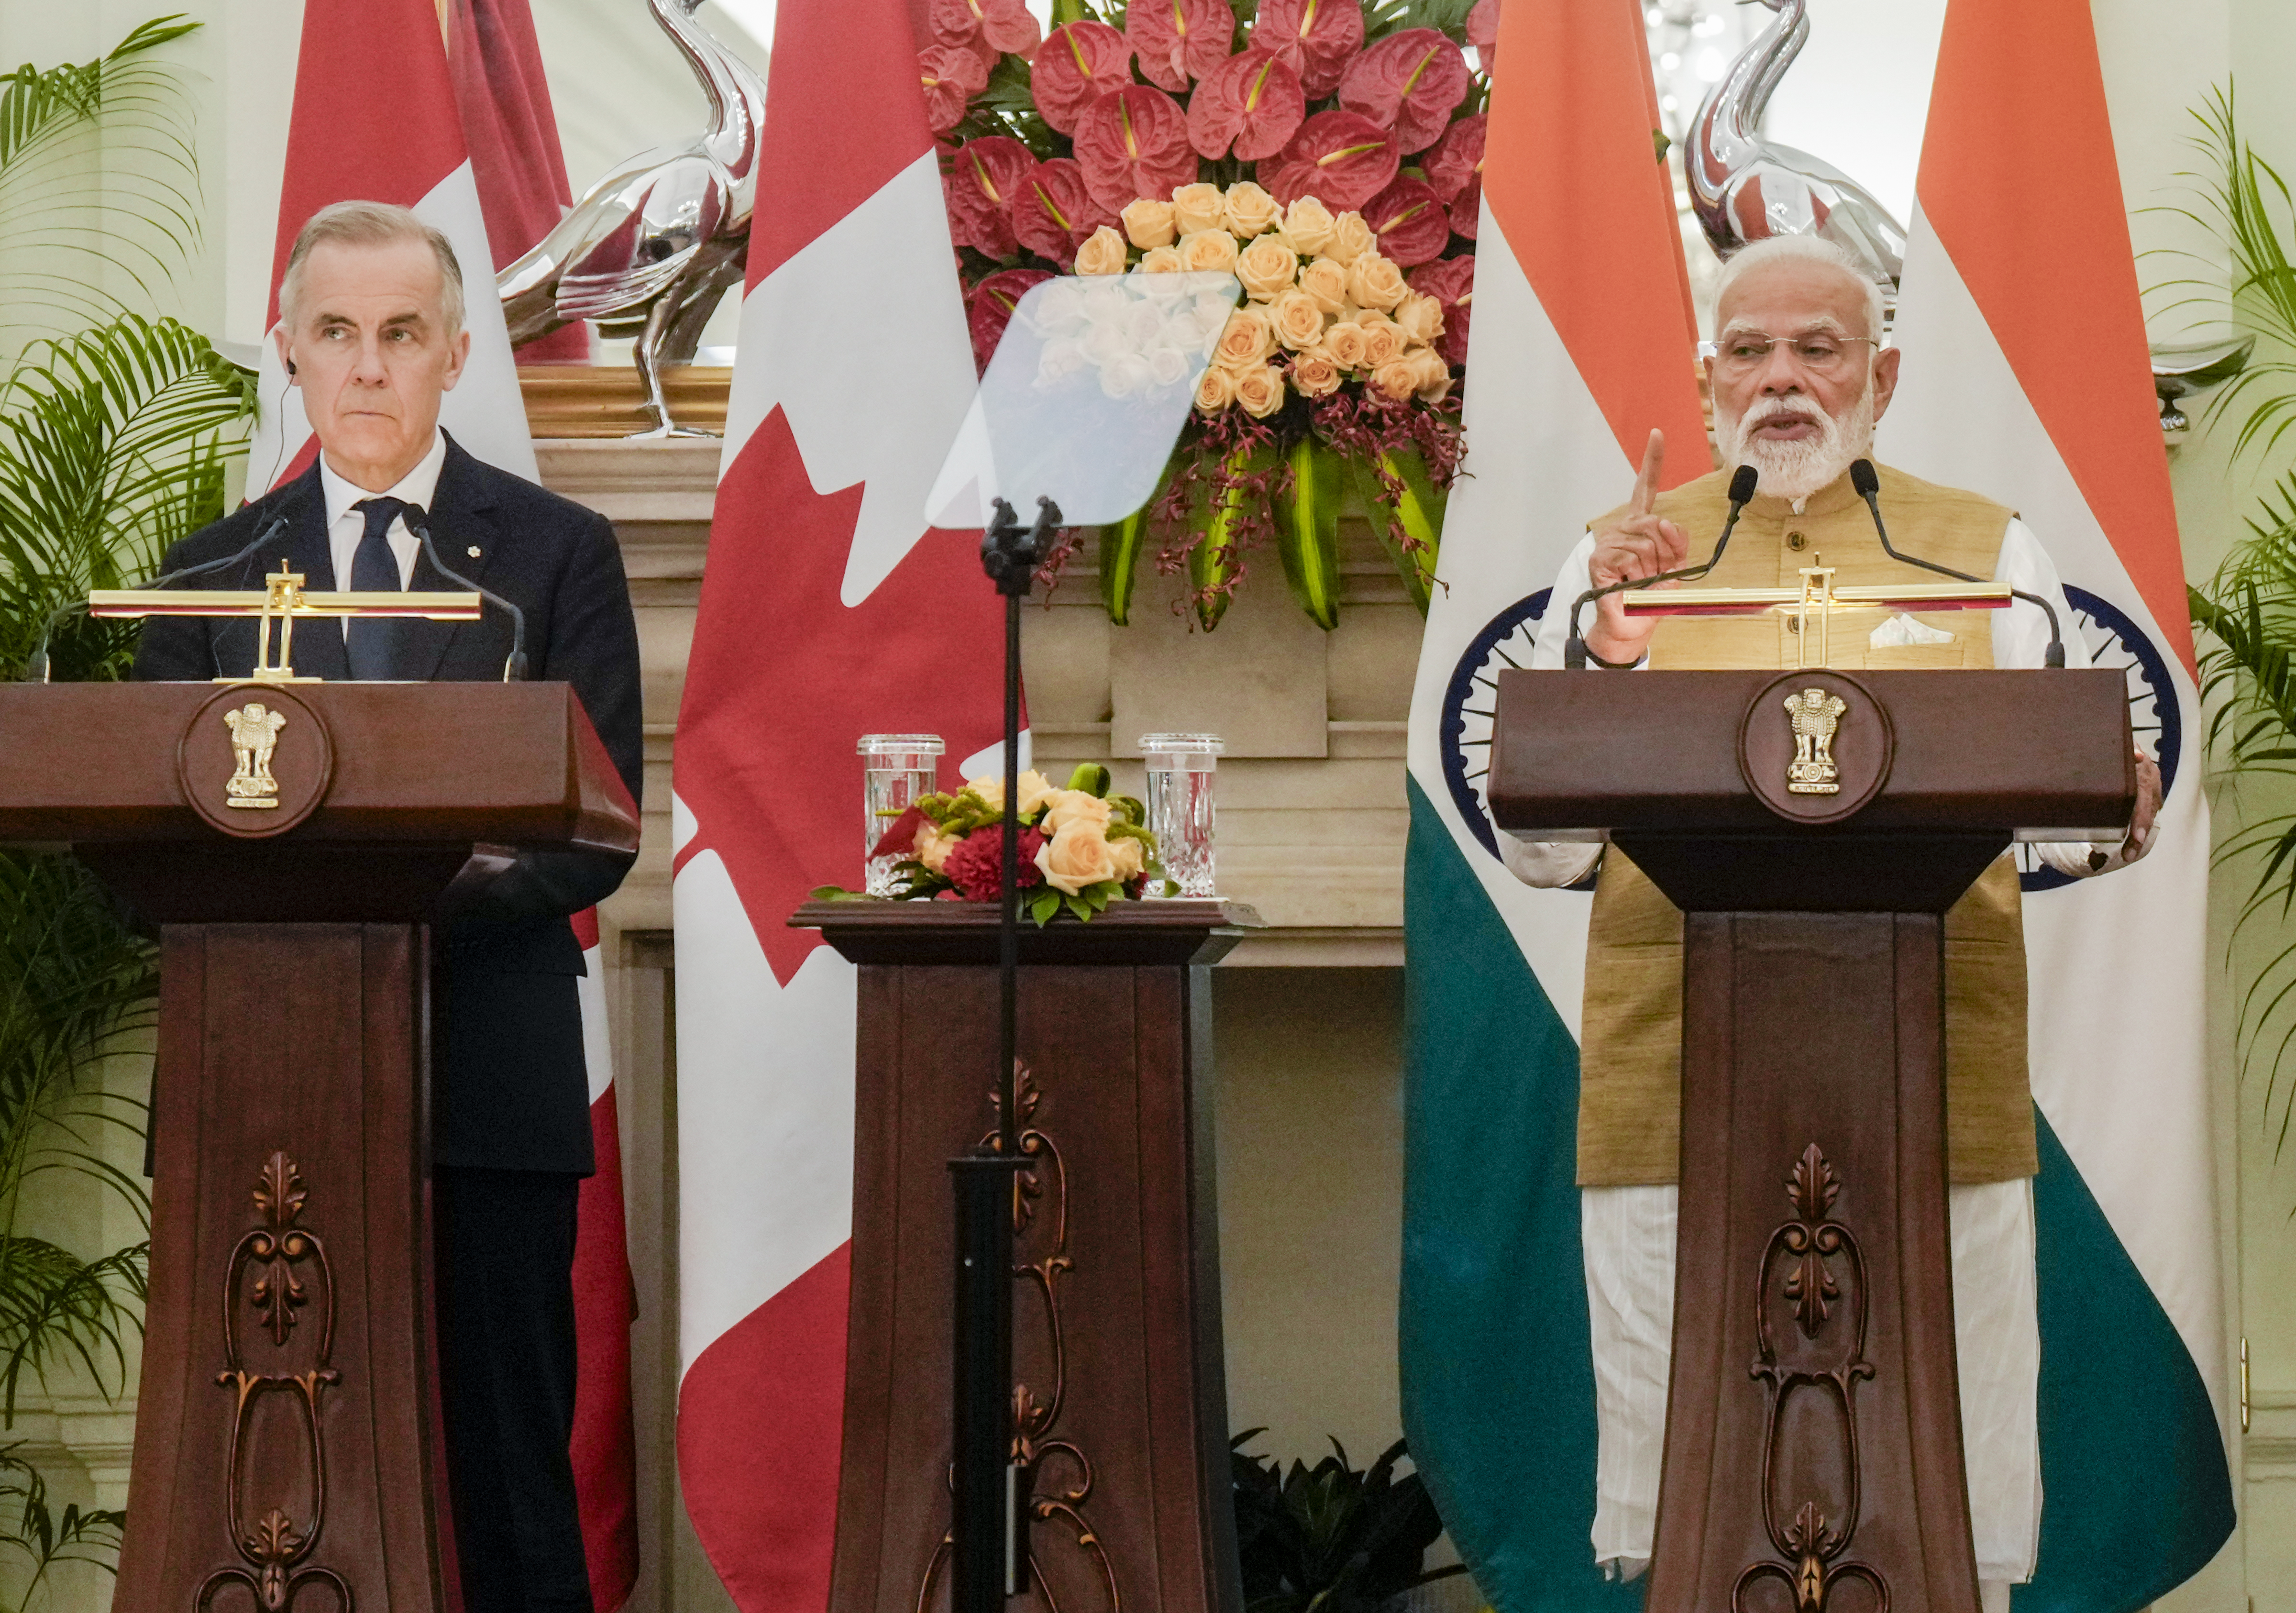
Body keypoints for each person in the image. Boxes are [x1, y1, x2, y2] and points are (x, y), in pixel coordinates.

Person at [1505, 234, 2162, 1613]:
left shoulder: (1987, 550)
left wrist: (2121, 787)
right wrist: (1605, 651)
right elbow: (1544, 845)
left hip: (1929, 1094)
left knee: (1935, 1492)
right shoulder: (1623, 560)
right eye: (1749, 350)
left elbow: (2072, 816)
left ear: (1886, 373)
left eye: (1820, 347)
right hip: (1677, 1086)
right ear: (1704, 379)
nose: (1783, 379)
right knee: (1697, 1484)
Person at [134, 200, 642, 1613]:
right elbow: (149, 843)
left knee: (506, 1482)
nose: (369, 368)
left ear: (456, 354)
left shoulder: (554, 555)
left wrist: (395, 899)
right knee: (270, 1474)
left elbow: (597, 829)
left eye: (401, 335)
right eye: (338, 335)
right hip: (261, 1096)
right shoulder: (203, 580)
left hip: (489, 1081)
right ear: (290, 354)